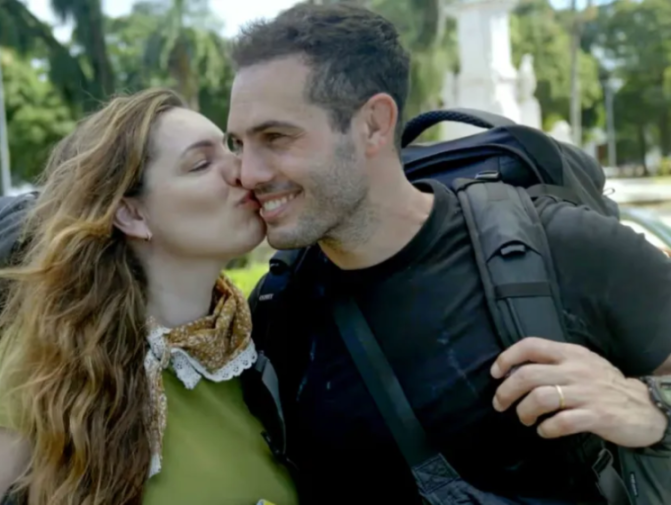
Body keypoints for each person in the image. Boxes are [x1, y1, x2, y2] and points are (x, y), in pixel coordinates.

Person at [225, 3, 671, 504]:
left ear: (373, 124)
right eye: (237, 143)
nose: (248, 173)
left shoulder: (558, 248)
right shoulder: (276, 310)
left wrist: (652, 408)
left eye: (276, 137)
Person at [0, 88, 298, 505]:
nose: (243, 171)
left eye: (231, 149)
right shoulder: (47, 360)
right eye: (201, 164)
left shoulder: (260, 342)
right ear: (132, 214)